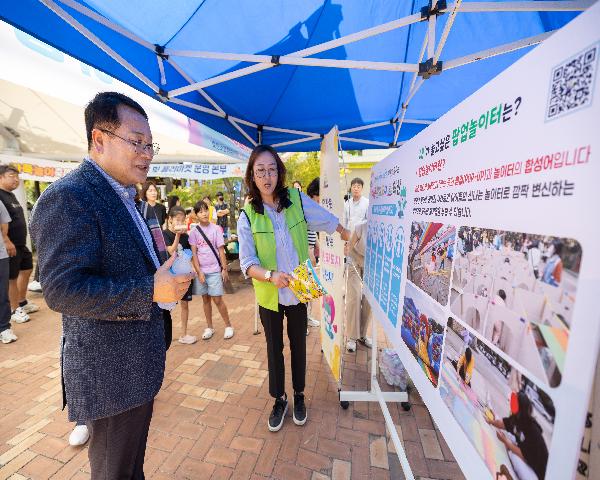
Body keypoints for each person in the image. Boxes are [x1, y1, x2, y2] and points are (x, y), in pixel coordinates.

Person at [30, 92, 194, 479]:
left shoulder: (123, 194)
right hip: (110, 376)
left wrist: (164, 277)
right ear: (98, 139)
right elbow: (61, 289)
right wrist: (150, 290)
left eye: (149, 144)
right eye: (135, 141)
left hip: (135, 367)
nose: (147, 153)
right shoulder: (68, 197)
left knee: (129, 468)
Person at [238, 145, 350, 432]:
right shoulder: (248, 214)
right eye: (260, 170)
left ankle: (299, 396)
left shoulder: (296, 200)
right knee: (274, 349)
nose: (267, 176)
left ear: (279, 171)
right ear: (252, 175)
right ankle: (280, 399)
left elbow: (324, 218)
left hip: (300, 285)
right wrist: (270, 275)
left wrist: (346, 233)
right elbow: (247, 263)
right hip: (270, 292)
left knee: (299, 344)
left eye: (272, 169)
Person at [189, 201, 234, 341]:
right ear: (196, 215)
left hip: (214, 270)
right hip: (201, 272)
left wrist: (224, 268)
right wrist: (199, 272)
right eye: (201, 211)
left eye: (206, 210)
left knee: (217, 299)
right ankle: (209, 327)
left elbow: (221, 251)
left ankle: (228, 326)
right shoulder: (194, 232)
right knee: (205, 299)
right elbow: (194, 254)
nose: (204, 213)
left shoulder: (216, 229)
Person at [0, 165, 39, 324]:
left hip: (21, 244)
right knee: (12, 278)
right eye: (11, 176)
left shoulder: (11, 195)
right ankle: (14, 309)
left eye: (17, 176)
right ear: (1, 177)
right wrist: (6, 241)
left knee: (27, 269)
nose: (15, 179)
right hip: (9, 244)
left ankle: (22, 301)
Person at [486, 392, 549, 480]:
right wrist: (490, 421)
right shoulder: (517, 418)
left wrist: (506, 442)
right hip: (528, 459)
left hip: (538, 474)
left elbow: (524, 455)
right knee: (510, 440)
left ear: (520, 408)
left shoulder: (532, 430)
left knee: (513, 455)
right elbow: (502, 424)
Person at [163, 206, 196, 344]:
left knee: (185, 305)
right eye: (177, 220)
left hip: (184, 276)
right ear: (170, 219)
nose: (180, 223)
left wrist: (194, 270)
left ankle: (183, 334)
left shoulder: (186, 236)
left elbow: (190, 256)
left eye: (182, 220)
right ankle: (164, 336)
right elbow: (171, 250)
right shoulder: (164, 234)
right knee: (166, 307)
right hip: (170, 277)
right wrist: (177, 235)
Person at [345, 219, 372, 352]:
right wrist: (360, 260)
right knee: (354, 297)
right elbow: (348, 248)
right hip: (355, 261)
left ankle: (362, 334)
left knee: (369, 300)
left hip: (372, 265)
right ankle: (351, 337)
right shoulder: (360, 227)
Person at [305, 177, 321, 329]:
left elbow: (312, 230)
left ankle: (307, 318)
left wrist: (317, 244)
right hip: (304, 252)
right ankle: (304, 320)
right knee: (306, 288)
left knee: (309, 288)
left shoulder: (311, 206)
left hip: (309, 248)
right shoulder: (305, 207)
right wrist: (310, 251)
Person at [0, 200, 15, 343]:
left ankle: (4, 328)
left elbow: (4, 222)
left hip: (0, 255)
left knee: (2, 293)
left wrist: (5, 239)